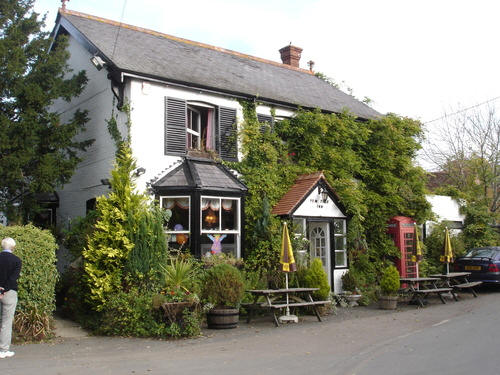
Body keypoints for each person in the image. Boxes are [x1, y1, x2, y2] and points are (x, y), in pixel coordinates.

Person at [0, 237, 21, 359]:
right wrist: (3, 289)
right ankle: (3, 350)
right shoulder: (17, 260)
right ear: (13, 247)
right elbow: (13, 278)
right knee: (6, 322)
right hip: (9, 292)